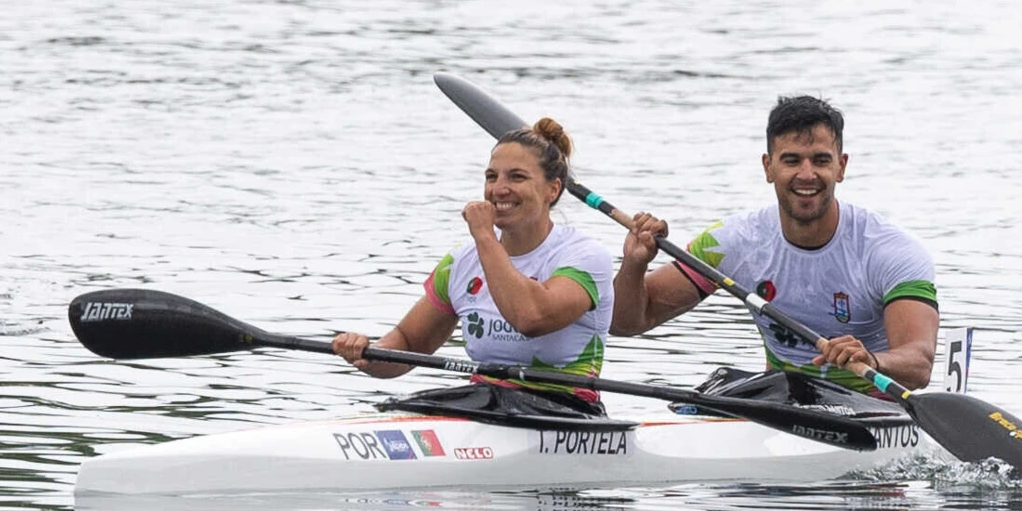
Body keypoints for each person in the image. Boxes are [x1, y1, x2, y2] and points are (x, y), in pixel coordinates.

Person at [610, 94, 938, 400]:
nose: (806, 175)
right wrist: (635, 264)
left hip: (872, 402)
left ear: (841, 167)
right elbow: (628, 322)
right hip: (783, 402)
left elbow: (919, 364)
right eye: (792, 161)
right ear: (768, 167)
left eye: (821, 160)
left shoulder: (891, 251)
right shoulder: (732, 242)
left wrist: (872, 360)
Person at [332, 119, 616, 420]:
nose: (499, 189)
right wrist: (367, 353)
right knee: (397, 406)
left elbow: (531, 317)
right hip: (487, 405)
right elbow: (409, 343)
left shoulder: (584, 256)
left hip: (567, 409)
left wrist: (483, 236)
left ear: (553, 189)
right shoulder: (460, 263)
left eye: (516, 177)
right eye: (491, 177)